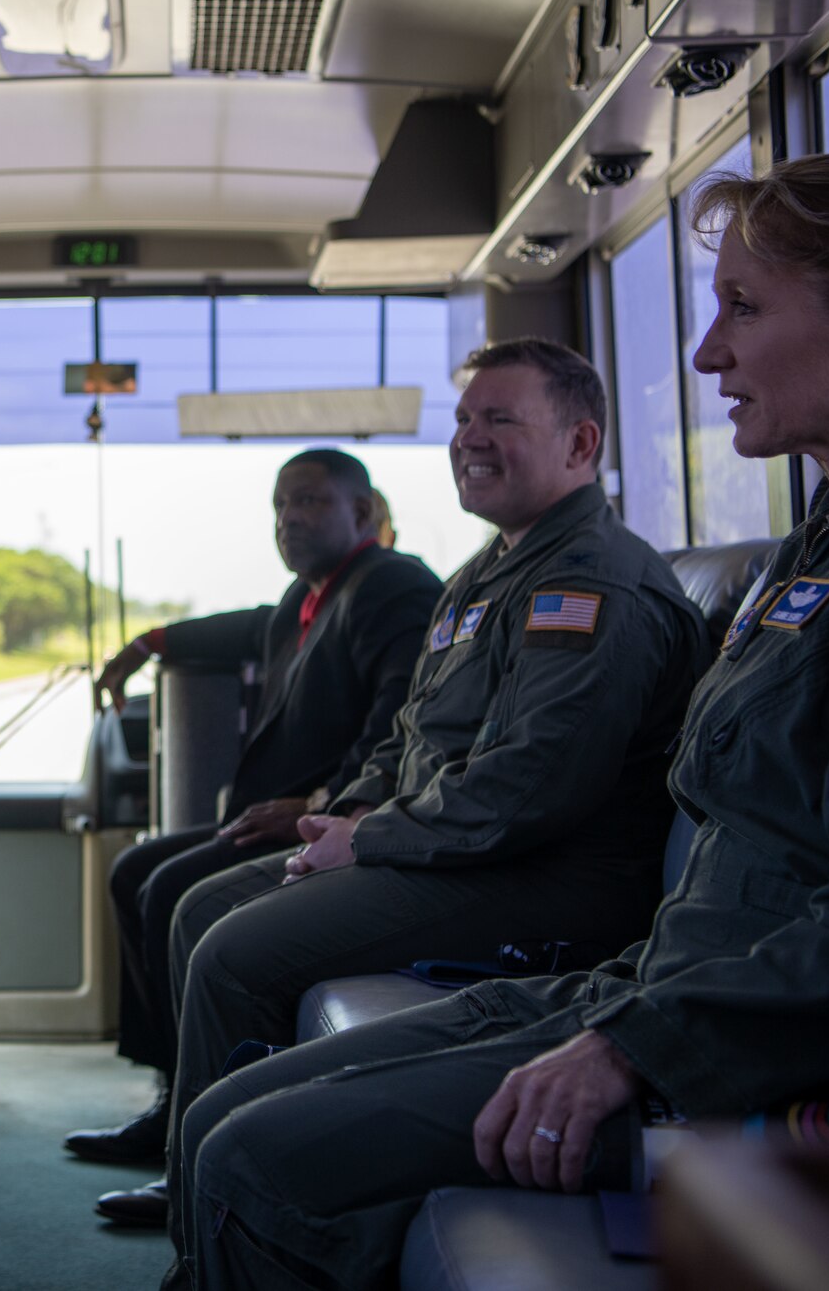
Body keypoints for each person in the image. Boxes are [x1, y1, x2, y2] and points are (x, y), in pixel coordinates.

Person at [167, 153, 829, 1290]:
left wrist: (633, 1050)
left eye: (740, 308)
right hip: (659, 984)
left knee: (257, 1156)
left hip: (785, 1076)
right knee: (231, 1108)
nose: (706, 354)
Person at [97, 339, 708, 1227]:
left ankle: (217, 1219)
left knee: (233, 947)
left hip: (548, 879)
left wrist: (371, 836)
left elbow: (530, 789)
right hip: (453, 850)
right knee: (196, 906)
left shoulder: (591, 584)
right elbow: (410, 732)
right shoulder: (482, 576)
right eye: (463, 419)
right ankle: (199, 1176)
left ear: (581, 445)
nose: (470, 438)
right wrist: (345, 812)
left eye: (501, 418)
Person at [65, 450, 442, 1166]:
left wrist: (319, 801)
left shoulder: (390, 585)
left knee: (171, 888)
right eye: (279, 506)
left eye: (308, 502)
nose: (289, 519)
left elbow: (401, 720)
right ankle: (170, 1089)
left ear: (363, 513)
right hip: (272, 811)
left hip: (327, 818)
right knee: (134, 868)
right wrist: (146, 643)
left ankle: (193, 1128)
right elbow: (241, 627)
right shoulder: (308, 600)